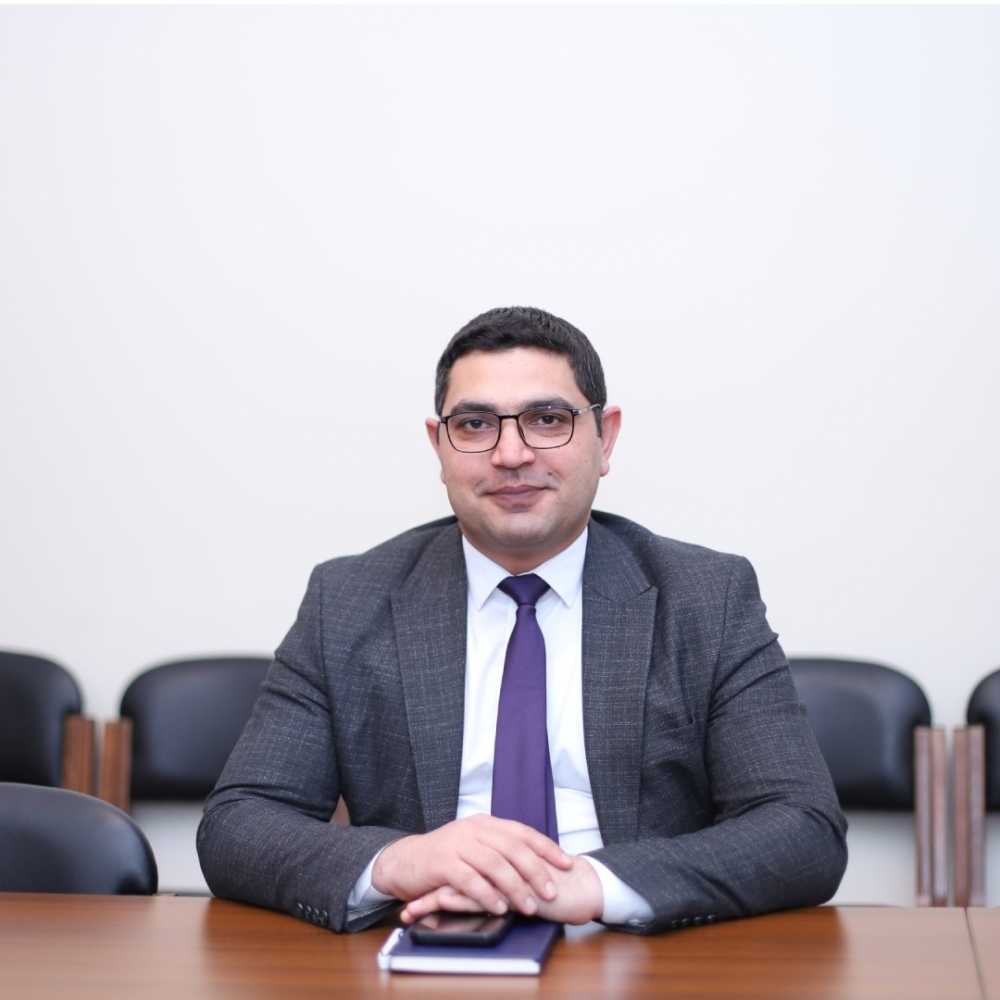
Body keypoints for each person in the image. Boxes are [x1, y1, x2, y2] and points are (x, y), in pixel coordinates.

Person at [197, 306, 847, 934]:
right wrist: (399, 861)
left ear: (605, 438)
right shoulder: (347, 600)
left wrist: (596, 886)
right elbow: (238, 823)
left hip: (633, 952)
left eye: (547, 419)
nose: (511, 453)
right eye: (475, 424)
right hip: (430, 943)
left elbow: (803, 826)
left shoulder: (706, 597)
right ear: (440, 446)